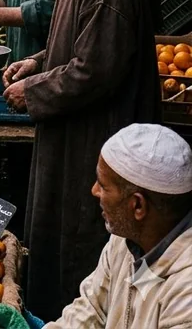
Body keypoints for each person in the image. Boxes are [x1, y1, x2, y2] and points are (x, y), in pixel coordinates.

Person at [1, 0, 161, 321]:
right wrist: (38, 61)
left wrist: (33, 92)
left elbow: (95, 68)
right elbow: (75, 42)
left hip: (97, 138)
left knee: (83, 241)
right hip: (76, 134)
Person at [48, 124, 192, 328]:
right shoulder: (125, 242)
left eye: (103, 186)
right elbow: (90, 312)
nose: (94, 191)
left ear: (138, 205)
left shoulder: (186, 289)